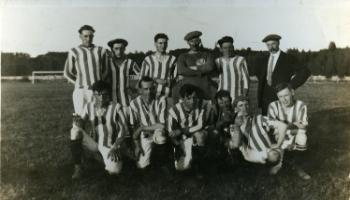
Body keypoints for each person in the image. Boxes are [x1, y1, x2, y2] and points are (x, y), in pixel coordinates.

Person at [70, 81, 128, 179]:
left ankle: (97, 157)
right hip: (94, 143)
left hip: (109, 147)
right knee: (75, 131)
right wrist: (77, 121)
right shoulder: (89, 106)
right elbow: (81, 123)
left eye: (105, 95)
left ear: (109, 95)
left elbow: (124, 129)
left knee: (114, 171)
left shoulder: (116, 107)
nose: (101, 98)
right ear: (94, 94)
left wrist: (115, 146)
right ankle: (78, 168)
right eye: (98, 95)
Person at [229, 96, 289, 175]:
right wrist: (237, 126)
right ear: (236, 109)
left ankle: (277, 164)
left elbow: (283, 126)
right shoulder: (234, 126)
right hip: (252, 153)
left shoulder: (259, 118)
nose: (244, 108)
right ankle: (273, 165)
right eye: (241, 105)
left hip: (268, 149)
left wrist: (278, 143)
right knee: (273, 155)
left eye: (246, 104)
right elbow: (236, 144)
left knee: (286, 135)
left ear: (250, 106)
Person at [255, 34, 310, 115]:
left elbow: (305, 71)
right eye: (268, 45)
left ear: (278, 43)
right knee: (267, 123)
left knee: (282, 123)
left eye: (273, 44)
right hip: (265, 99)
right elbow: (260, 76)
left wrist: (290, 86)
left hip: (282, 97)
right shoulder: (263, 59)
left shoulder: (288, 58)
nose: (271, 47)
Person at [267, 82, 311, 180]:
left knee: (302, 137)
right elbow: (271, 125)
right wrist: (292, 125)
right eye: (280, 96)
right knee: (278, 143)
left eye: (286, 95)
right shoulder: (273, 106)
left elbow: (303, 126)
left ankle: (298, 167)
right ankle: (280, 164)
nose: (284, 99)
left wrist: (284, 125)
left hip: (295, 133)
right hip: (280, 135)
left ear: (292, 92)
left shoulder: (301, 105)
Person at [168, 84, 212, 178]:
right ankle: (187, 161)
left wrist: (182, 130)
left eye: (194, 98)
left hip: (195, 135)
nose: (192, 101)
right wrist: (178, 144)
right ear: (182, 98)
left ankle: (199, 167)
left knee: (199, 135)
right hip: (182, 139)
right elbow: (172, 133)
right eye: (189, 98)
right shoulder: (174, 110)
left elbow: (200, 125)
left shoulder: (201, 105)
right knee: (181, 167)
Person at [64, 25, 109, 116]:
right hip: (80, 91)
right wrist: (79, 83)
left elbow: (106, 70)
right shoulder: (74, 51)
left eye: (91, 36)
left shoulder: (101, 50)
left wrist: (98, 85)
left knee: (98, 117)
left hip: (97, 92)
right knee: (80, 118)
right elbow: (67, 72)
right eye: (85, 36)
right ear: (80, 36)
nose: (88, 39)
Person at [129, 76, 170, 170]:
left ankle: (162, 162)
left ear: (155, 88)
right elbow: (133, 125)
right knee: (141, 166)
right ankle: (150, 158)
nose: (149, 92)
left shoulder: (161, 100)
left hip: (157, 131)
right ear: (140, 90)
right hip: (145, 135)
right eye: (145, 89)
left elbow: (161, 125)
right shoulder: (134, 103)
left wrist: (142, 128)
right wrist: (137, 145)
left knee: (161, 138)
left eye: (151, 88)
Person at [173, 31, 217, 102]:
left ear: (199, 41)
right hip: (188, 87)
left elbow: (209, 67)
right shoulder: (183, 56)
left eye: (196, 41)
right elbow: (181, 70)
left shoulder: (207, 54)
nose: (194, 44)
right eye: (191, 41)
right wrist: (201, 71)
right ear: (188, 43)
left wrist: (194, 68)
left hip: (205, 87)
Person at [107, 38, 140, 115]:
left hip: (126, 100)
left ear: (124, 49)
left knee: (127, 123)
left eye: (121, 48)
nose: (119, 51)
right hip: (111, 100)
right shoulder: (107, 62)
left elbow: (141, 75)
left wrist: (135, 87)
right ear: (112, 49)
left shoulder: (130, 62)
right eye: (116, 48)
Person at [139, 33, 177, 97]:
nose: (163, 45)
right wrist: (155, 80)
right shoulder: (148, 59)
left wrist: (167, 82)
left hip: (167, 96)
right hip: (151, 95)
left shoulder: (173, 59)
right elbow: (142, 79)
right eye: (160, 43)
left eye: (165, 43)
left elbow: (176, 78)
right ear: (155, 44)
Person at [215, 36, 249, 102]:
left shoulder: (241, 59)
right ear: (221, 49)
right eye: (225, 48)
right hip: (222, 97)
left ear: (233, 48)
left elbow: (246, 80)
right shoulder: (217, 61)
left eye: (230, 47)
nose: (228, 50)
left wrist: (244, 95)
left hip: (237, 95)